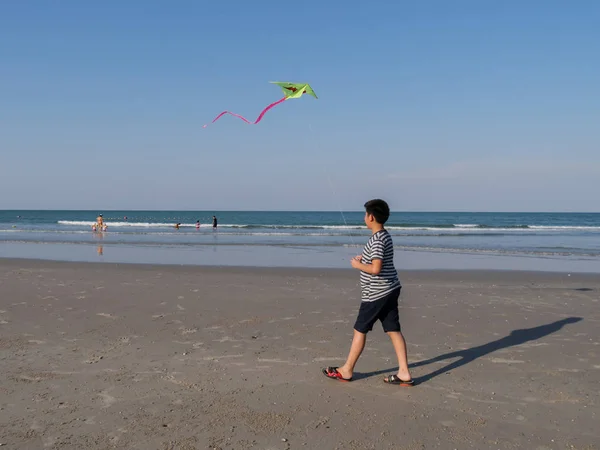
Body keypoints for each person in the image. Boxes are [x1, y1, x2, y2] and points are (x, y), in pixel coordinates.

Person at [322, 199, 413, 386]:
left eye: (365, 214)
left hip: (376, 294)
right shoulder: (385, 236)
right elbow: (378, 259)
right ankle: (404, 372)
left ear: (371, 217)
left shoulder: (377, 239)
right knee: (393, 330)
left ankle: (347, 370)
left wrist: (357, 265)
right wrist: (364, 258)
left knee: (360, 329)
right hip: (391, 289)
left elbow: (376, 268)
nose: (364, 217)